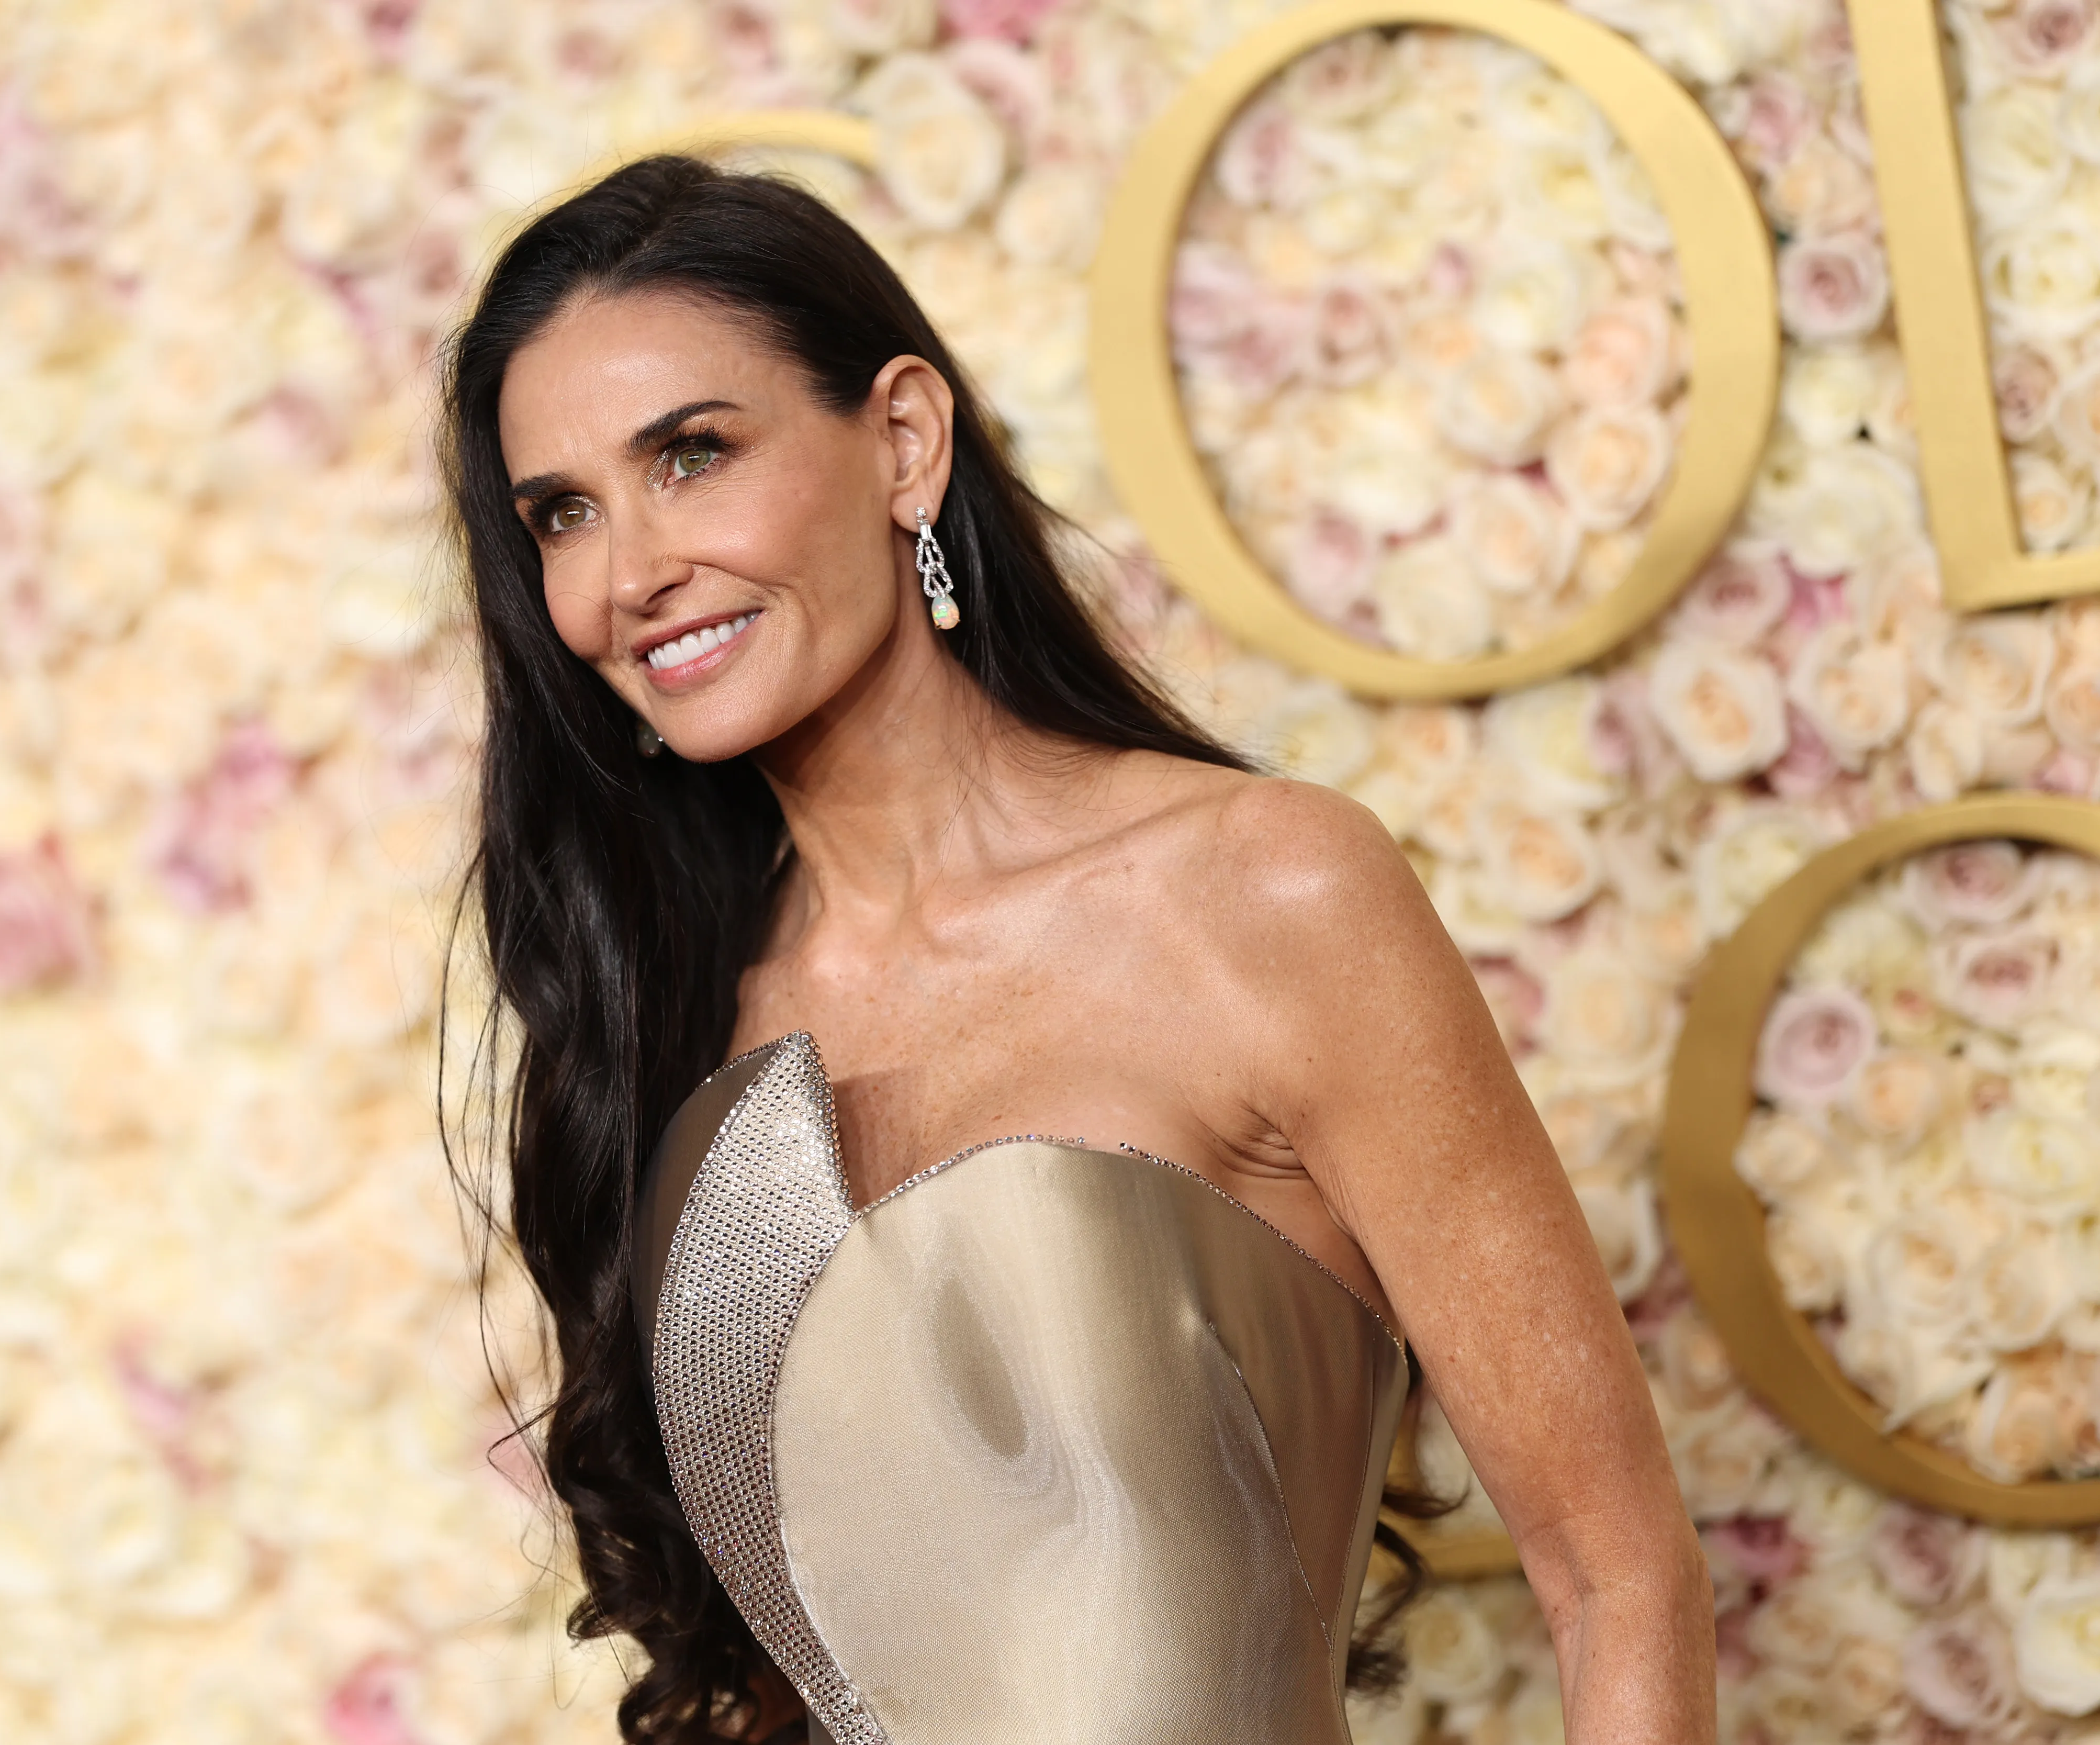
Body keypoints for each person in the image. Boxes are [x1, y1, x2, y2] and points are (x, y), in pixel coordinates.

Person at [441, 154, 1710, 1745]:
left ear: (904, 439)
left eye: (692, 456)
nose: (629, 573)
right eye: (562, 513)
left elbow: (1617, 1575)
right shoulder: (673, 1019)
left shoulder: (1265, 894)